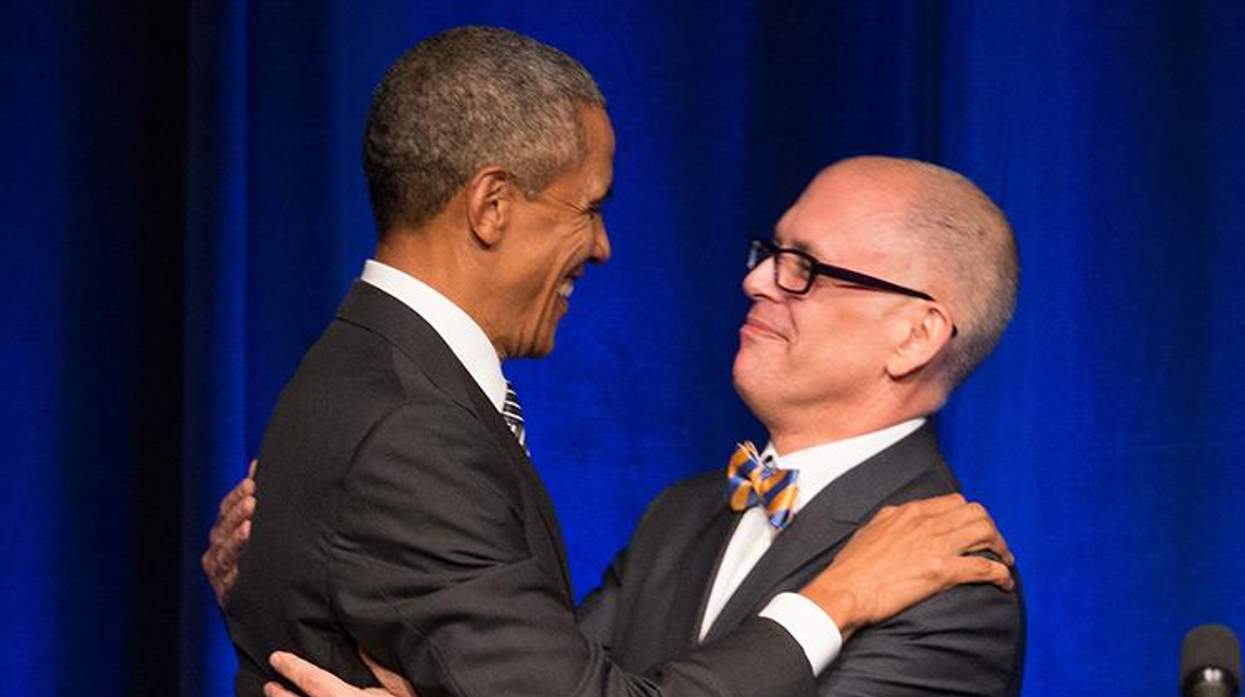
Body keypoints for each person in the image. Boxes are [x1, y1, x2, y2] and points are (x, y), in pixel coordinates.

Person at [209, 25, 1015, 697]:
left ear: (915, 335)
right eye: (770, 251)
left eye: (805, 266)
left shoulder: (947, 576)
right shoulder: (684, 514)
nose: (756, 279)